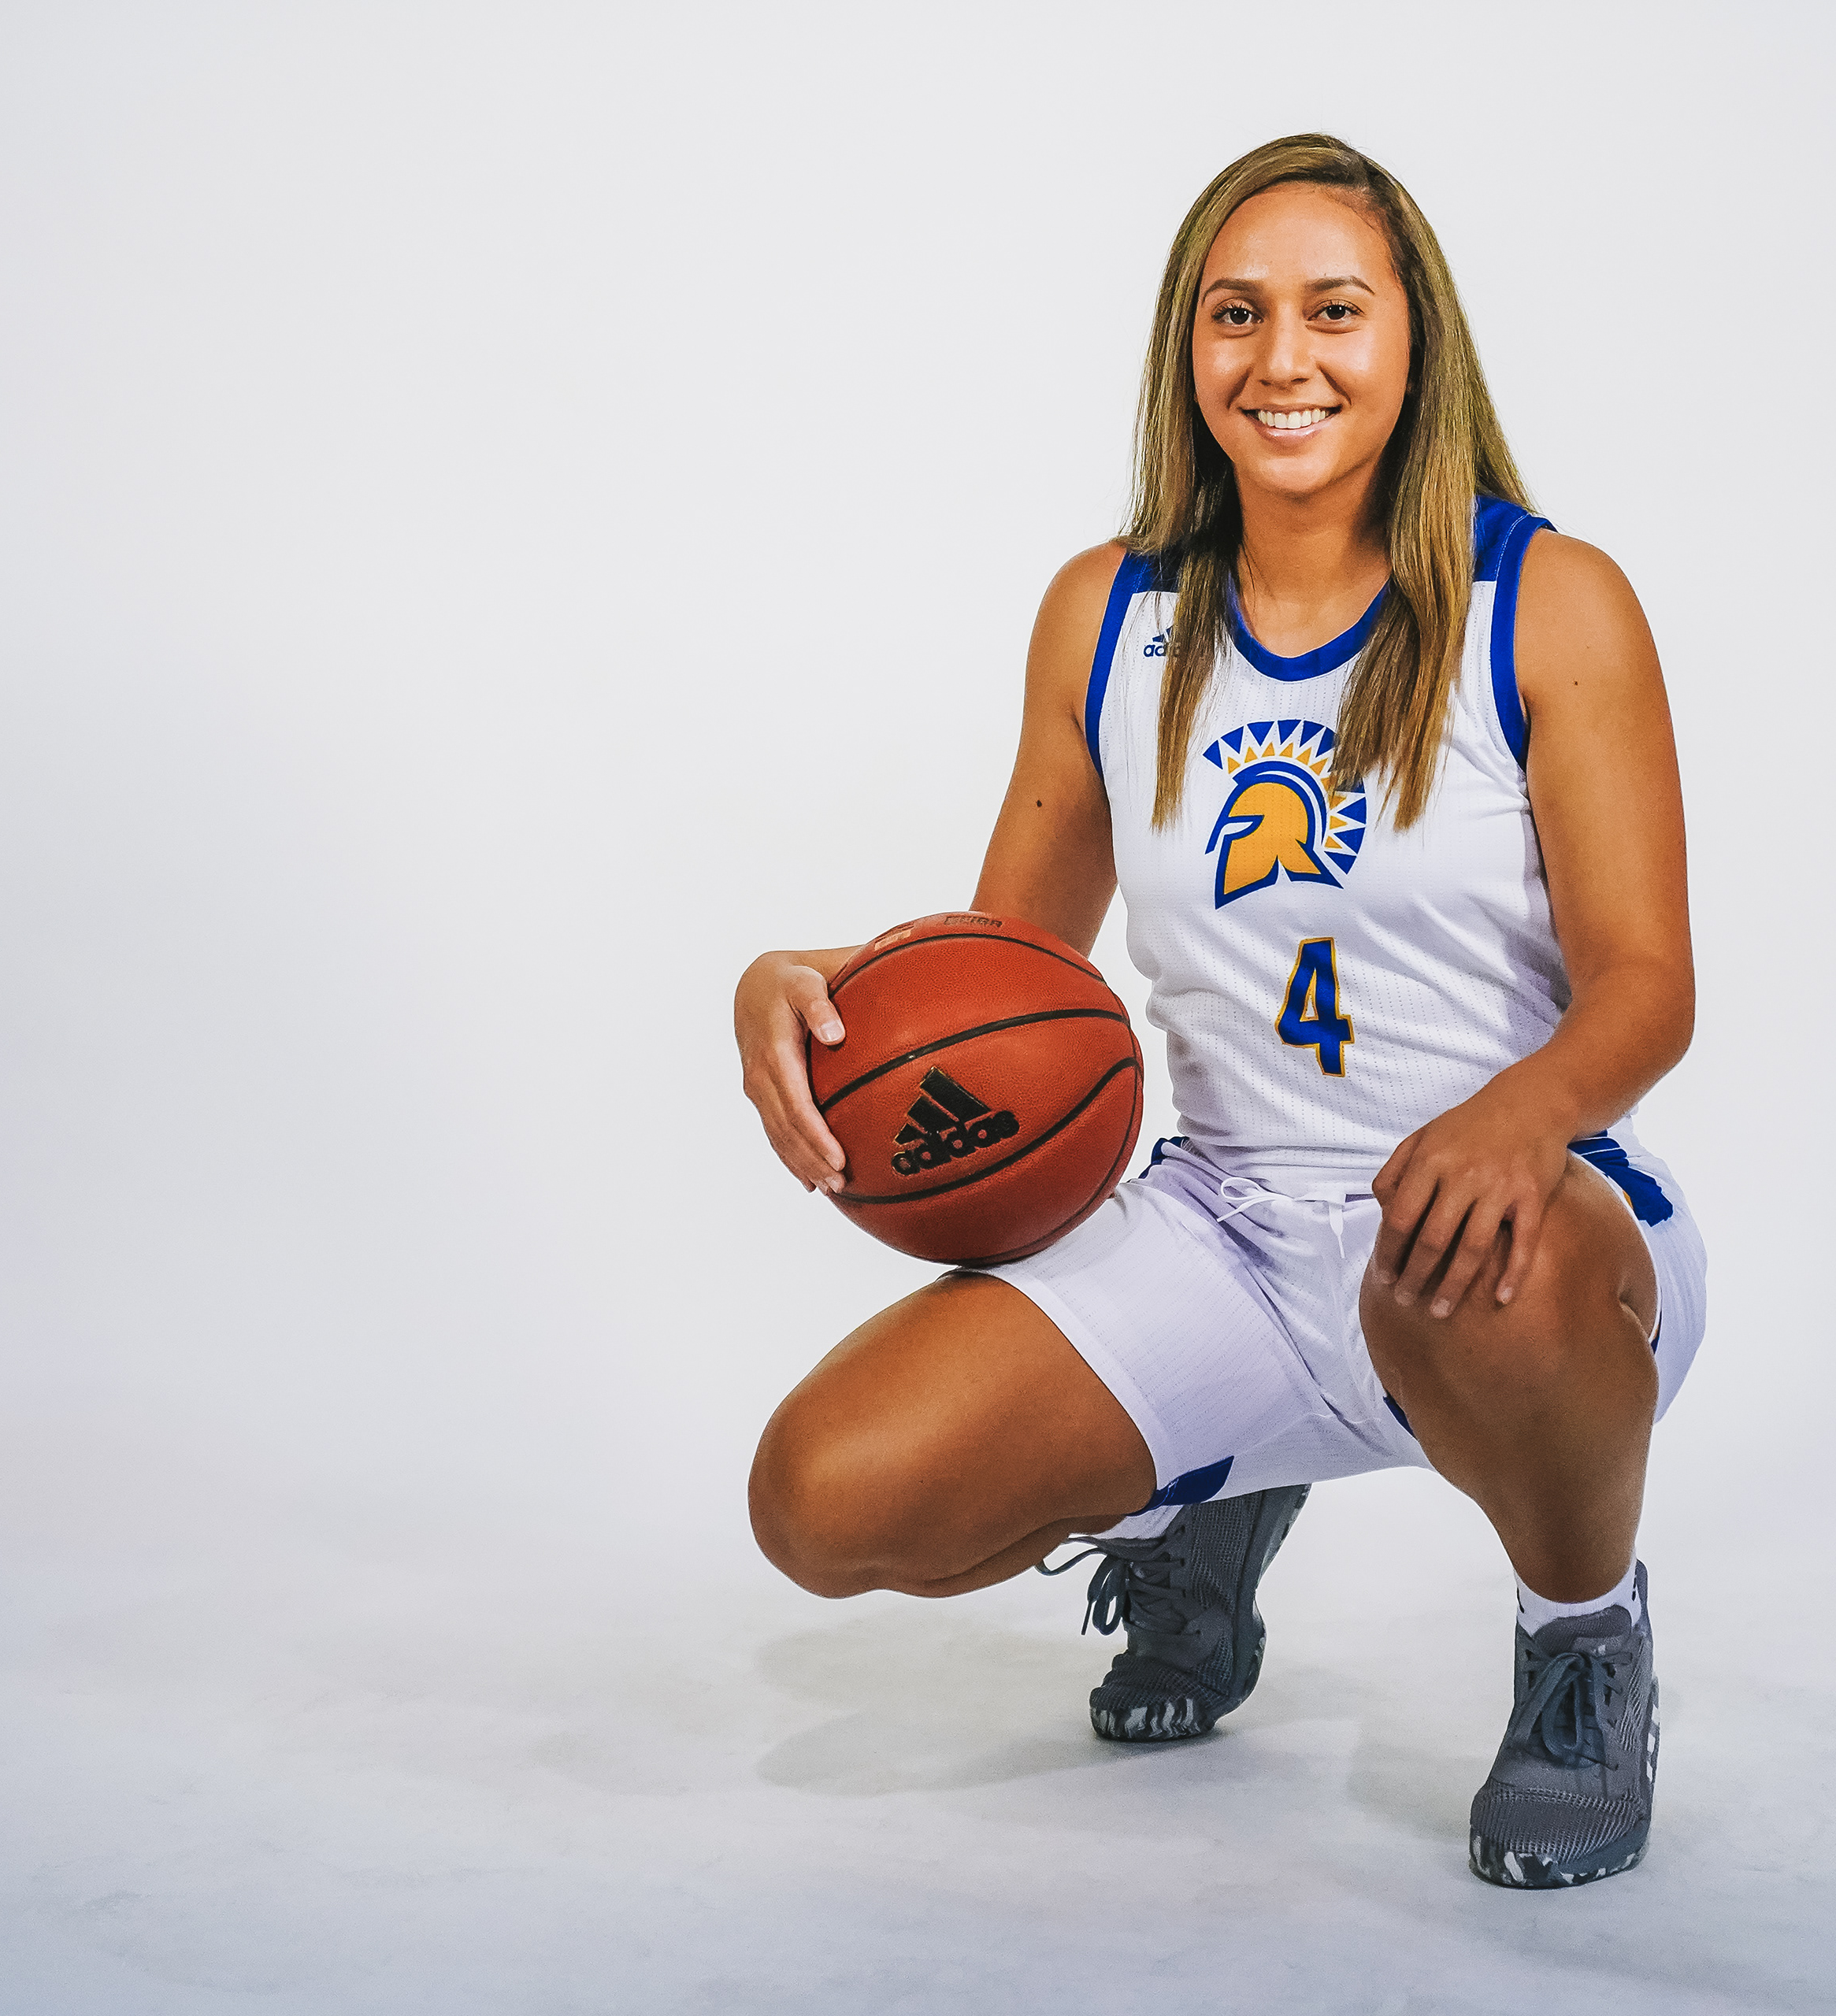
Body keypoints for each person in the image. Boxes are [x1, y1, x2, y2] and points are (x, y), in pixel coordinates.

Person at [731, 133, 1706, 1890]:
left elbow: (1648, 986)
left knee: (1457, 1267)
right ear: (1188, 348)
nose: (1283, 358)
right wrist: (823, 1003)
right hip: (1223, 1229)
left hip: (1519, 1234)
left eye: (1335, 310)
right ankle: (1212, 1484)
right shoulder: (1112, 613)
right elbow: (1012, 973)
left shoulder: (1545, 602)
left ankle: (1584, 1637)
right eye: (1236, 314)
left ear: (1414, 340)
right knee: (824, 1496)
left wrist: (1517, 1113)